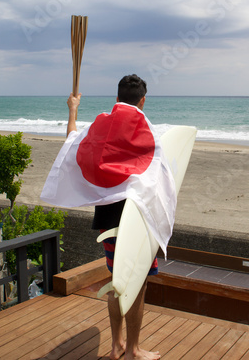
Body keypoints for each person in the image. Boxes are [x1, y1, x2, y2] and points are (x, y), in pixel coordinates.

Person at [66, 74, 161, 360]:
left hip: (108, 219)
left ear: (117, 98)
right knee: (137, 284)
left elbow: (72, 144)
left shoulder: (100, 127)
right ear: (142, 100)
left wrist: (73, 110)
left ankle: (115, 345)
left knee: (117, 281)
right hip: (135, 220)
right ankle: (133, 350)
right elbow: (161, 177)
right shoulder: (148, 131)